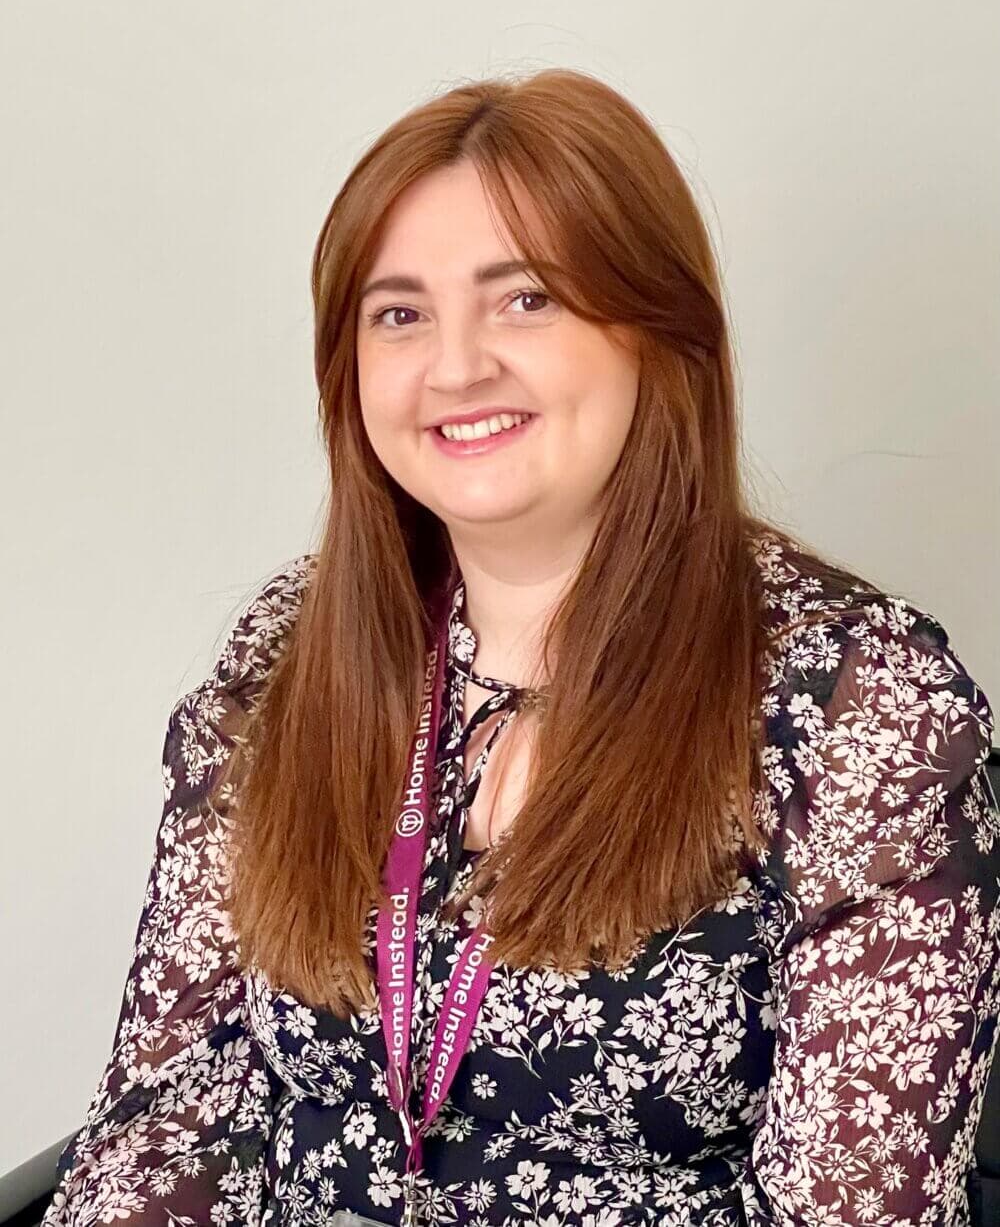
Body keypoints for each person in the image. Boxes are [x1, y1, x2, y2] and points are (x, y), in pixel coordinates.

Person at [45, 69, 999, 1227]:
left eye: (525, 300)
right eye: (398, 313)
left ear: (660, 332)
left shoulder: (858, 703)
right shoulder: (286, 653)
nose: (455, 367)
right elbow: (169, 1124)